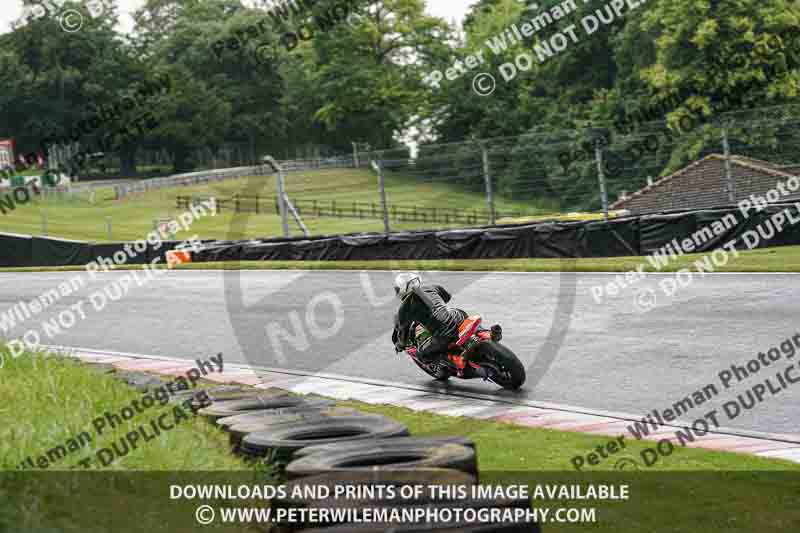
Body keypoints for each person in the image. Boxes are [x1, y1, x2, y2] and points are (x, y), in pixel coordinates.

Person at [391, 272, 468, 364]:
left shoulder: (403, 310)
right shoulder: (433, 287)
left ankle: (458, 360)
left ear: (402, 289)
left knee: (421, 355)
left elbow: (403, 335)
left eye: (397, 289)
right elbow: (447, 297)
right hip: (458, 315)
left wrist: (400, 345)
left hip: (444, 333)